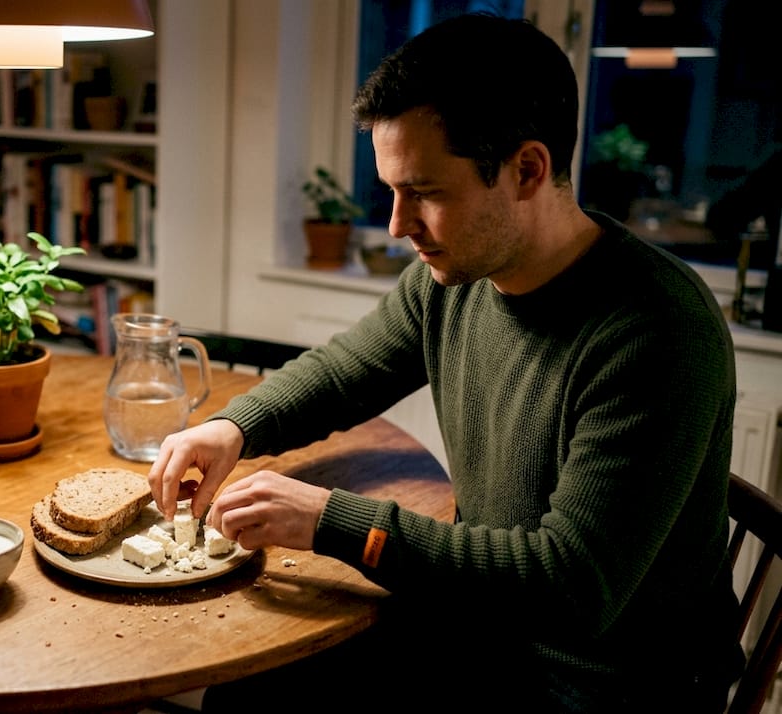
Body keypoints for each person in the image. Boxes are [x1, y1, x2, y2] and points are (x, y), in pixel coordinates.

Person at [149, 13, 744, 712]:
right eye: (392, 191)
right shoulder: (454, 277)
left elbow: (572, 589)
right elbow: (344, 372)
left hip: (605, 682)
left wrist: (331, 520)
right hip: (488, 626)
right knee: (250, 690)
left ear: (527, 170)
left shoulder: (657, 330)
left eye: (425, 193)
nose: (398, 226)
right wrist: (233, 426)